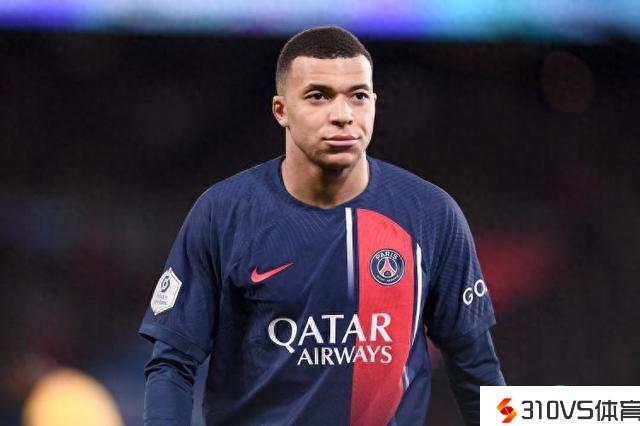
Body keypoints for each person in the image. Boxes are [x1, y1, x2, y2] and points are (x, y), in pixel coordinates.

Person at [139, 25, 505, 426]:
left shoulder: (431, 215)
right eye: (319, 96)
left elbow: (476, 368)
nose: (343, 115)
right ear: (281, 110)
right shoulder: (223, 214)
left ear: (374, 104)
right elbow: (173, 364)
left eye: (358, 96)